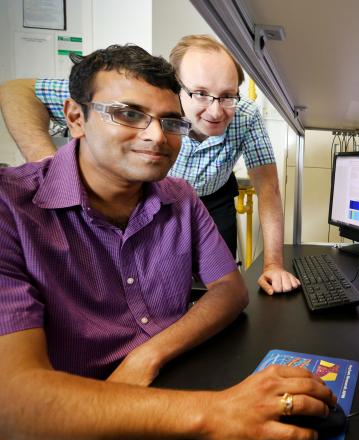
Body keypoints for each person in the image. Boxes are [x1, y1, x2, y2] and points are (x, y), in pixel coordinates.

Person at [0, 45, 334, 440]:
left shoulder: (180, 196)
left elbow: (230, 288)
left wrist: (146, 356)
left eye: (171, 122)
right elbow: (13, 407)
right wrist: (214, 414)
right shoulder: (11, 211)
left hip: (171, 383)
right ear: (75, 117)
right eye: (128, 114)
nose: (157, 137)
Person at [0, 34, 300, 296]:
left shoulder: (245, 115)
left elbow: (269, 189)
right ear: (174, 87)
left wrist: (273, 264)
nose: (215, 111)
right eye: (200, 94)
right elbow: (16, 90)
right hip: (150, 202)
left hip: (212, 199)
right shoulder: (123, 97)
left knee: (214, 283)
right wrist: (49, 163)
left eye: (227, 97)